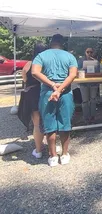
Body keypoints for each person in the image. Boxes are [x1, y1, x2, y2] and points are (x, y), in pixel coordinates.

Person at [32, 34, 78, 167]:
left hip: (47, 93)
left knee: (49, 125)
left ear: (50, 42)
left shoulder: (41, 56)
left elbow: (35, 72)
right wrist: (60, 89)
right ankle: (64, 155)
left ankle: (52, 157)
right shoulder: (70, 56)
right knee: (65, 123)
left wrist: (53, 86)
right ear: (62, 43)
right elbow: (73, 74)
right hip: (66, 93)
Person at [18, 43, 46, 159]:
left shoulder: (29, 64)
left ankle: (38, 150)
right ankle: (49, 146)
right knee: (47, 121)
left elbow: (24, 78)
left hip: (32, 94)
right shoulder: (46, 63)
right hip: (44, 92)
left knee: (36, 123)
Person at [77, 48, 99, 124]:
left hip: (93, 83)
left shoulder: (95, 61)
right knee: (85, 101)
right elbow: (77, 70)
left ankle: (93, 117)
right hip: (83, 83)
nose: (89, 53)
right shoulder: (80, 61)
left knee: (93, 100)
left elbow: (98, 72)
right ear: (85, 52)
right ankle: (86, 118)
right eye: (88, 52)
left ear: (93, 53)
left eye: (91, 52)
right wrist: (82, 69)